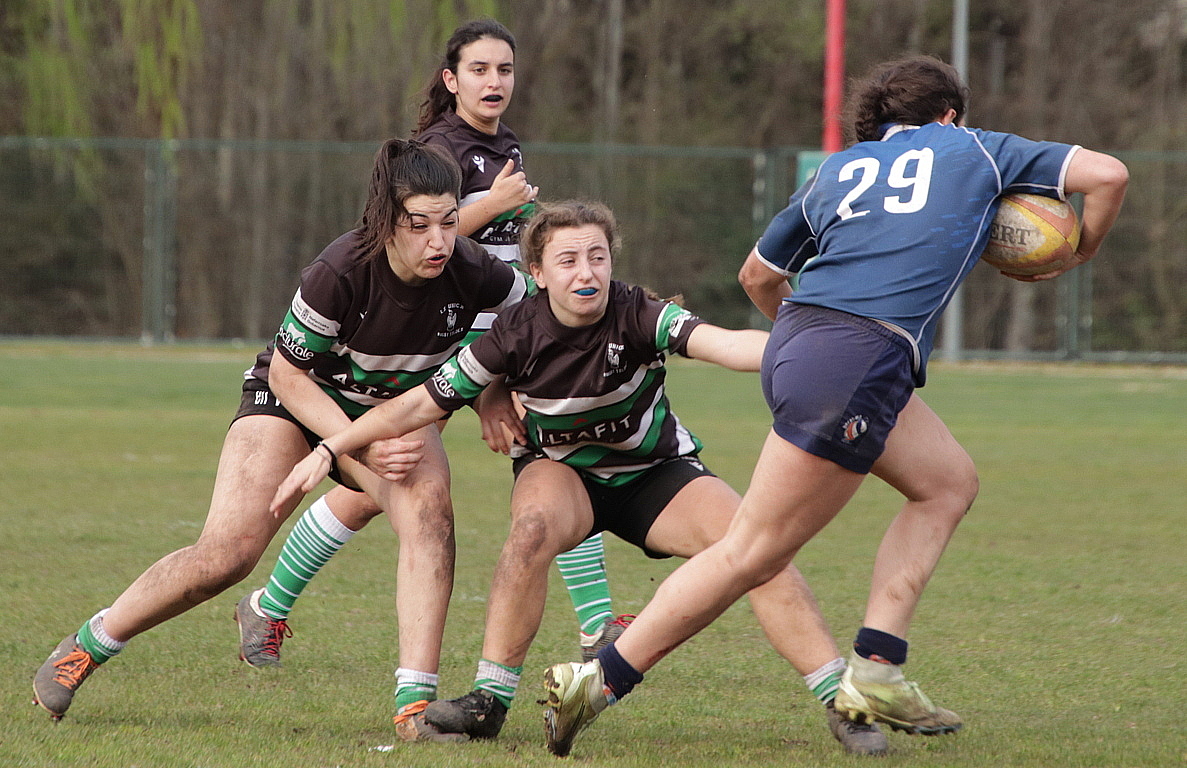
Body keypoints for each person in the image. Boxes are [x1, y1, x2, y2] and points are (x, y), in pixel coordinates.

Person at [536, 55, 1129, 756]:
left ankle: (877, 664)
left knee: (946, 483)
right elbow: (1108, 174)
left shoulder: (837, 171)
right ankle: (596, 681)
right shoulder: (973, 147)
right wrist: (1080, 246)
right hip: (859, 359)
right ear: (947, 115)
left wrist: (806, 342)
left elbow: (757, 275)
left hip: (803, 346)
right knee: (751, 552)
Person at [270, 200, 893, 755]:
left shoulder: (638, 312)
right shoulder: (511, 336)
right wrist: (333, 448)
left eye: (597, 256)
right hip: (561, 473)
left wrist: (810, 349)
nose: (586, 272)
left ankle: (843, 704)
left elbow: (724, 344)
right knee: (530, 530)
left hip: (657, 473)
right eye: (567, 260)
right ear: (537, 275)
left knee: (763, 549)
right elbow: (414, 406)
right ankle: (490, 701)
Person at [32, 139, 530, 738]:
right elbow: (290, 376)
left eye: (449, 222)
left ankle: (413, 710)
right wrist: (354, 441)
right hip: (293, 402)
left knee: (430, 518)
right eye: (418, 225)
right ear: (384, 221)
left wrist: (494, 393)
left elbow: (527, 327)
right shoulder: (340, 271)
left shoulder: (474, 271)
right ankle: (87, 645)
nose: (439, 241)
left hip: (389, 416)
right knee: (228, 556)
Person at [234, 19, 628, 677]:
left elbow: (490, 249)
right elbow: (426, 240)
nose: (493, 81)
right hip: (456, 336)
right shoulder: (440, 148)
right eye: (478, 69)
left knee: (376, 487)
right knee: (550, 442)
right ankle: (596, 627)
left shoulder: (501, 145)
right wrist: (495, 379)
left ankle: (267, 606)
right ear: (451, 80)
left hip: (495, 322)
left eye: (504, 69)